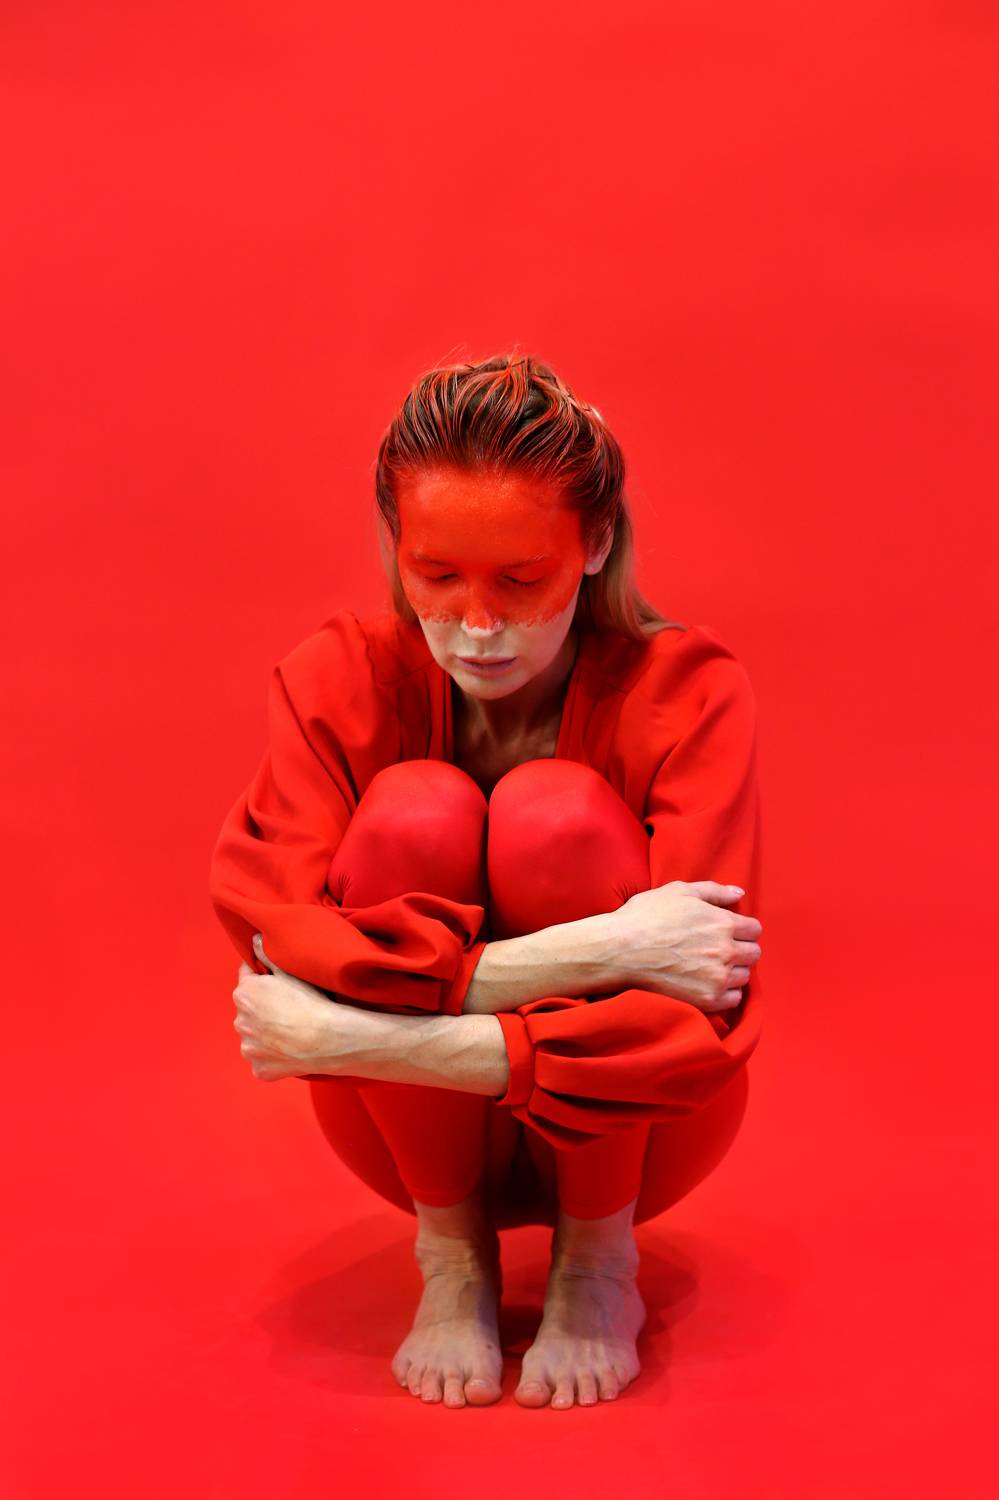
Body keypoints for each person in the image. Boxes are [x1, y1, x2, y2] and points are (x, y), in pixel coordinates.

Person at [209, 351, 765, 1412]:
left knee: (557, 813)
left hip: (642, 1124)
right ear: (395, 545)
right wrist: (603, 950)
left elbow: (692, 1017)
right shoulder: (336, 681)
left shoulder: (688, 692)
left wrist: (356, 1034)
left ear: (595, 546)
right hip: (400, 1132)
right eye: (436, 576)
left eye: (520, 580)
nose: (476, 625)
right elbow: (279, 934)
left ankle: (596, 1259)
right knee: (414, 808)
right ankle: (451, 1253)